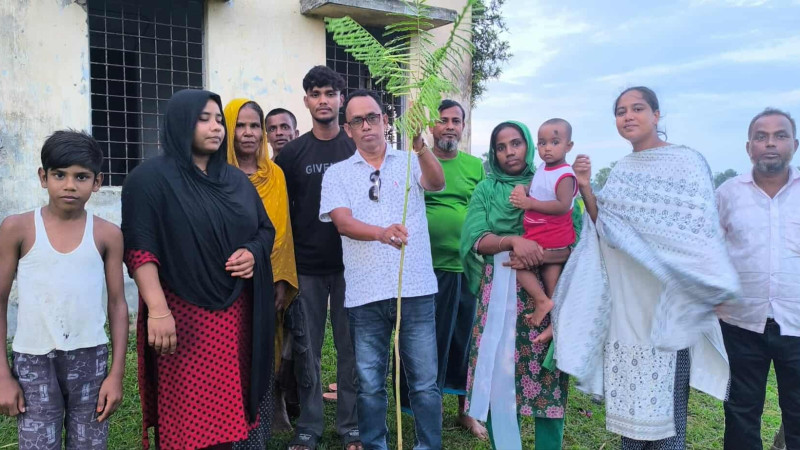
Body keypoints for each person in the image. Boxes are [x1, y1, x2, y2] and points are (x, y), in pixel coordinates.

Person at [553, 87, 738, 450]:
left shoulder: (686, 161)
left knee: (669, 408)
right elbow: (606, 229)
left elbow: (699, 230)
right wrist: (586, 187)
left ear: (656, 114)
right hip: (630, 306)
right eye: (621, 111)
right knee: (632, 404)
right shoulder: (623, 170)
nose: (628, 116)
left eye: (637, 108)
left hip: (668, 302)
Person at [121, 89, 276, 449]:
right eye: (203, 119)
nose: (216, 127)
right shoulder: (150, 179)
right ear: (180, 123)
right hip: (182, 315)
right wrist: (158, 310)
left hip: (235, 315)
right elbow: (140, 249)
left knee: (228, 410)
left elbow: (264, 229)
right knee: (188, 413)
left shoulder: (235, 180)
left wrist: (253, 252)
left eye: (219, 120)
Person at [320, 89, 445, 450]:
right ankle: (375, 445)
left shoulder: (410, 160)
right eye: (357, 120)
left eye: (372, 117)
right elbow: (342, 223)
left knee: (424, 382)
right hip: (366, 293)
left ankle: (429, 446)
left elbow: (437, 183)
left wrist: (420, 146)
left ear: (385, 121)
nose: (367, 126)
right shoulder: (337, 174)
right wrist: (380, 232)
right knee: (370, 384)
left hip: (415, 289)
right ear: (348, 129)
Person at [0, 130, 127, 449]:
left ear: (97, 182)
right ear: (43, 177)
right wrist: (2, 376)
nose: (70, 185)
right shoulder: (18, 228)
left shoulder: (107, 234)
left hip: (90, 358)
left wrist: (116, 374)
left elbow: (117, 304)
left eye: (81, 176)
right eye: (59, 175)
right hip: (34, 360)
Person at [460, 121, 571, 450]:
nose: (509, 152)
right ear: (493, 153)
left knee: (548, 378)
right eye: (501, 147)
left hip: (548, 291)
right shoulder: (486, 189)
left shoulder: (548, 183)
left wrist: (539, 254)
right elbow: (475, 237)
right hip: (499, 293)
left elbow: (574, 236)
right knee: (500, 377)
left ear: (528, 146)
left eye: (516, 143)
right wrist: (511, 241)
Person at [274, 65, 360, 450]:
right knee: (307, 349)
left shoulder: (356, 148)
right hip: (306, 267)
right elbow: (280, 214)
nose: (323, 101)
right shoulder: (292, 154)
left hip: (352, 266)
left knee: (350, 349)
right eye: (315, 94)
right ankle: (308, 426)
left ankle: (351, 426)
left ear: (341, 99)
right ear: (306, 101)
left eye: (329, 93)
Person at [395, 99, 488, 439]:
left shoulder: (474, 167)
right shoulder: (414, 162)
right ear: (432, 127)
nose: (449, 126)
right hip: (423, 269)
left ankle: (466, 411)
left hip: (465, 268)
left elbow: (482, 210)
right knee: (422, 340)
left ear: (463, 127)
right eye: (443, 120)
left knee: (465, 339)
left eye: (456, 121)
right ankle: (416, 406)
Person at [716, 108, 799, 450]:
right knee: (740, 414)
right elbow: (710, 252)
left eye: (780, 136)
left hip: (797, 324)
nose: (770, 143)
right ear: (748, 147)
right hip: (740, 324)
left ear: (795, 144)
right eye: (761, 137)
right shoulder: (727, 194)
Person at [224, 98, 300, 432]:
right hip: (226, 277)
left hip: (268, 278)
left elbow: (281, 231)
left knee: (267, 345)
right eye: (240, 125)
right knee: (231, 349)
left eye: (255, 125)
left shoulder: (275, 175)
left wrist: (280, 279)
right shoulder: (217, 175)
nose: (248, 133)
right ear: (229, 129)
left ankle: (268, 413)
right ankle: (231, 416)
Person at [509, 118, 578, 328]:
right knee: (552, 283)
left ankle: (542, 302)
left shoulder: (565, 175)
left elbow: (563, 206)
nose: (547, 148)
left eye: (555, 142)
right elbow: (533, 187)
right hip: (539, 230)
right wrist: (522, 189)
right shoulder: (542, 168)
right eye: (542, 143)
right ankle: (551, 315)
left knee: (519, 262)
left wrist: (530, 203)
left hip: (552, 233)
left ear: (568, 146)